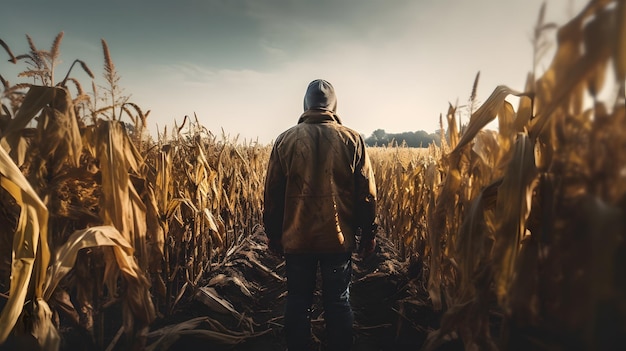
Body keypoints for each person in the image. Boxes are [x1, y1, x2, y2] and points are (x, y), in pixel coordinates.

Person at [263, 79, 378, 351]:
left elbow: (273, 194)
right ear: (334, 105)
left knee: (298, 299)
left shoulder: (285, 139)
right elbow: (367, 193)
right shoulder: (353, 139)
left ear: (306, 104)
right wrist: (368, 233)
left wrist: (273, 234)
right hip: (337, 241)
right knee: (338, 300)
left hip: (296, 239)